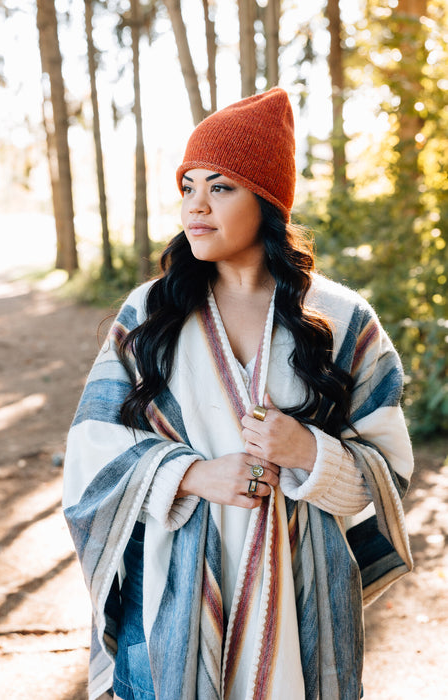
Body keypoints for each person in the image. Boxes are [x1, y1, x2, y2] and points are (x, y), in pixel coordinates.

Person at [63, 88, 413, 700]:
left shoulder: (343, 319)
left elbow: (390, 477)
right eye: (187, 186)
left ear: (268, 201)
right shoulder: (152, 310)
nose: (196, 207)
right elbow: (92, 448)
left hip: (305, 605)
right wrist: (193, 475)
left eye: (220, 187)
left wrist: (309, 451)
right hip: (168, 601)